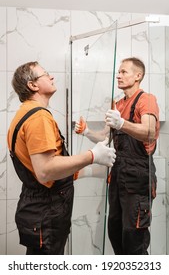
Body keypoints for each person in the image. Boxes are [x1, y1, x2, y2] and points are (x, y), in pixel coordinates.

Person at [7, 61, 116, 255]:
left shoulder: (25, 113)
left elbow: (46, 168)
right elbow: (46, 171)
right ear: (33, 85)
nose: (51, 76)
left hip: (38, 210)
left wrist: (90, 170)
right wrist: (92, 156)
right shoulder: (38, 117)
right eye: (45, 74)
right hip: (46, 212)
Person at [75, 57, 160, 255]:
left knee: (134, 238)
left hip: (138, 178)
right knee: (115, 231)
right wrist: (87, 131)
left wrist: (122, 123)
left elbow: (148, 131)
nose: (118, 75)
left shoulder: (146, 99)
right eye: (118, 72)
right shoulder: (117, 103)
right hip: (117, 177)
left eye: (123, 72)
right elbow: (105, 135)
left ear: (138, 76)